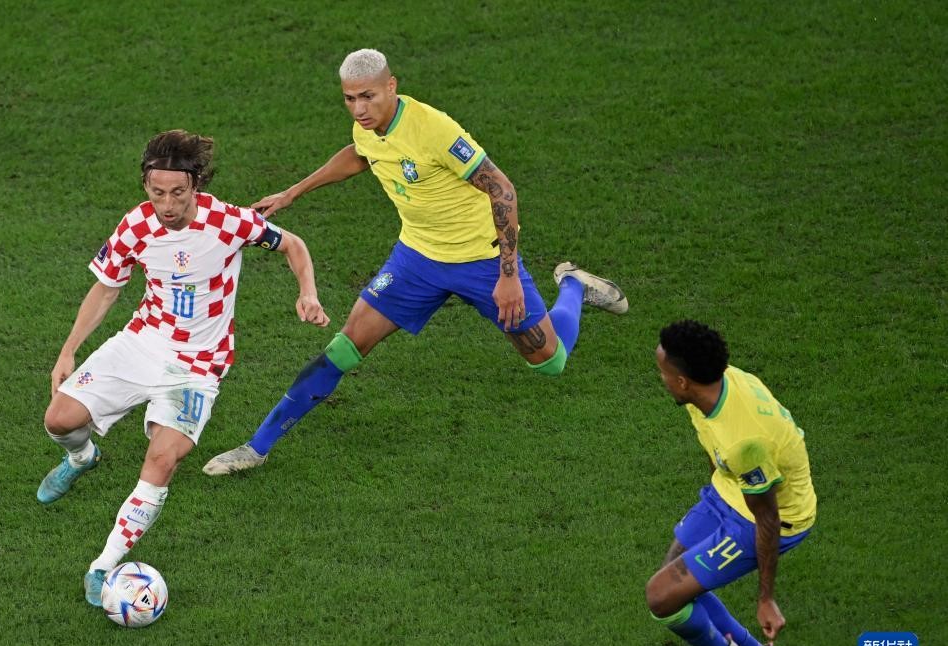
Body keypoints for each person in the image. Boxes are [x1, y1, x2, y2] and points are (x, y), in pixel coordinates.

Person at [202, 48, 627, 476]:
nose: (358, 109)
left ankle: (573, 285)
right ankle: (256, 448)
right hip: (417, 260)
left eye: (367, 97)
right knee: (345, 347)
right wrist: (293, 192)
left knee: (549, 360)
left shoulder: (434, 130)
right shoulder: (368, 126)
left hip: (481, 261)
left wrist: (509, 274)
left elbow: (502, 190)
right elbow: (360, 153)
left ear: (391, 86)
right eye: (349, 99)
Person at [38, 129, 330, 605]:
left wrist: (308, 293)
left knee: (163, 457)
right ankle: (81, 458)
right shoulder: (136, 225)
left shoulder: (228, 221)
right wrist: (69, 349)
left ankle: (104, 564)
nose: (168, 204)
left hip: (197, 364)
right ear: (145, 186)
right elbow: (107, 288)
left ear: (195, 184)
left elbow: (292, 245)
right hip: (141, 343)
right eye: (157, 193)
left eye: (178, 193)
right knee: (59, 419)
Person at [646, 320, 817, 646]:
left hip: (773, 516)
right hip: (730, 491)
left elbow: (768, 517)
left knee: (661, 596)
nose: (661, 378)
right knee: (672, 581)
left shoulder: (745, 441)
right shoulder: (713, 386)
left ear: (682, 382)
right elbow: (715, 446)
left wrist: (766, 598)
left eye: (663, 372)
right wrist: (714, 497)